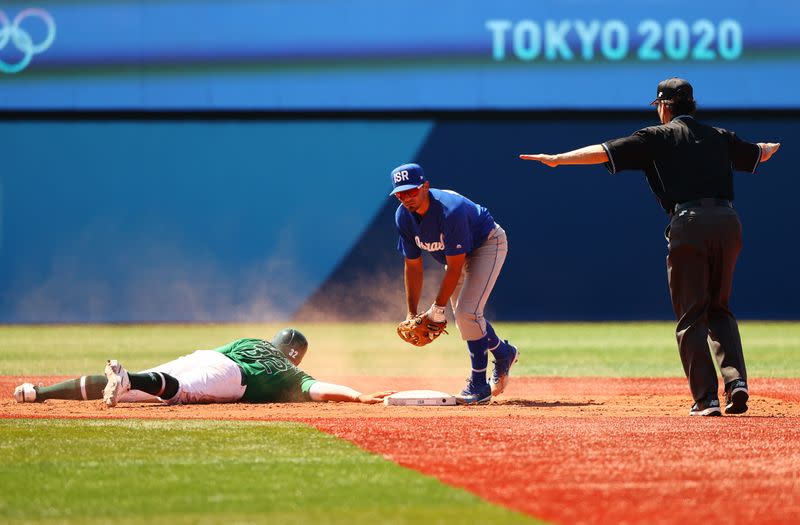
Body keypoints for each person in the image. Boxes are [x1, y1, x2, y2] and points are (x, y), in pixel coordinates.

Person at [519, 77, 781, 416]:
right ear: (692, 106)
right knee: (720, 307)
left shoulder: (656, 137)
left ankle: (707, 400)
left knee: (691, 315)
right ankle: (736, 383)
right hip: (728, 223)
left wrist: (557, 158)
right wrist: (770, 147)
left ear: (665, 107)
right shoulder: (719, 135)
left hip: (689, 223)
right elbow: (759, 153)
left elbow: (603, 152)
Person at [390, 162, 519, 405]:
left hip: (487, 244)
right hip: (458, 256)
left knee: (467, 313)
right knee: (465, 319)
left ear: (425, 186)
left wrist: (437, 309)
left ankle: (479, 386)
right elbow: (413, 266)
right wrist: (411, 312)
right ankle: (503, 354)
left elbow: (456, 266)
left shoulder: (451, 210)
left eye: (411, 190)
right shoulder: (403, 217)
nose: (406, 198)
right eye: (400, 193)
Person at [13, 328, 393, 406]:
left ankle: (38, 393)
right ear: (297, 355)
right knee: (179, 391)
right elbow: (320, 389)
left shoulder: (252, 341)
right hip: (230, 377)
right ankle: (129, 377)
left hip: (208, 356)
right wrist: (359, 397)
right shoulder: (292, 373)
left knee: (131, 390)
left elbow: (217, 351)